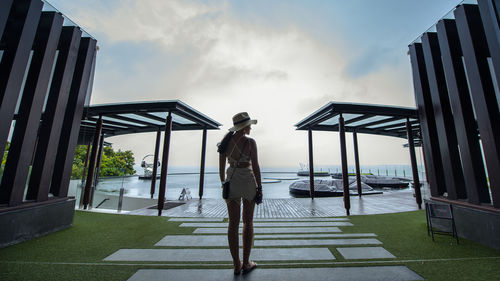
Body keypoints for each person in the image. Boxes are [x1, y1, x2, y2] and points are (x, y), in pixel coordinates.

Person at [218, 112, 262, 275]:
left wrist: (224, 183)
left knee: (233, 224)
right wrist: (260, 188)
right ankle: (246, 263)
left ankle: (236, 264)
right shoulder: (250, 142)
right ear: (244, 126)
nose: (250, 127)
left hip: (232, 181)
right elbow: (256, 167)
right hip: (248, 182)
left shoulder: (225, 141)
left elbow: (221, 168)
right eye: (249, 124)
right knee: (248, 223)